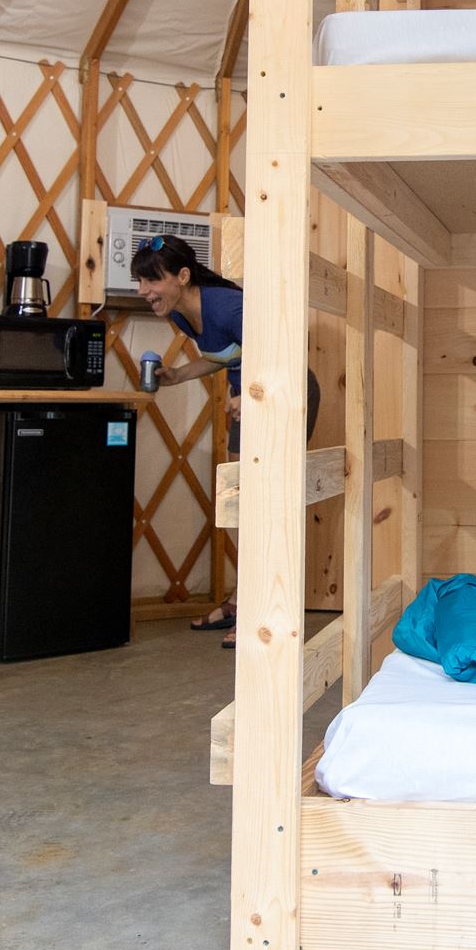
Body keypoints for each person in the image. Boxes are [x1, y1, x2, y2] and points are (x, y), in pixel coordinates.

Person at [129, 234, 320, 645]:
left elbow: (280, 353)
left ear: (182, 276)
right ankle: (243, 597)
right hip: (248, 403)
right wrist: (179, 375)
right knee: (239, 502)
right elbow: (225, 355)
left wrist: (249, 394)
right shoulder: (181, 315)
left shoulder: (228, 306)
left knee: (266, 503)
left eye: (151, 280)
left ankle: (264, 609)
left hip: (285, 397)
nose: (143, 291)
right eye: (140, 281)